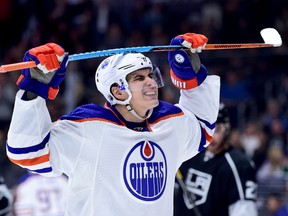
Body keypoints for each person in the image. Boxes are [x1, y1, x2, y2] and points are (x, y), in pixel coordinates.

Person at [6, 33, 220, 216]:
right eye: (138, 78)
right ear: (117, 91)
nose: (151, 82)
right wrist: (34, 88)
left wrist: (191, 74)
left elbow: (202, 128)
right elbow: (26, 152)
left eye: (150, 75)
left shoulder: (169, 123)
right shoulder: (88, 127)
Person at [174, 103, 258, 216]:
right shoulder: (190, 153)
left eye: (217, 129)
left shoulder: (239, 165)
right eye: (207, 128)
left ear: (227, 128)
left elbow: (245, 210)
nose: (211, 136)